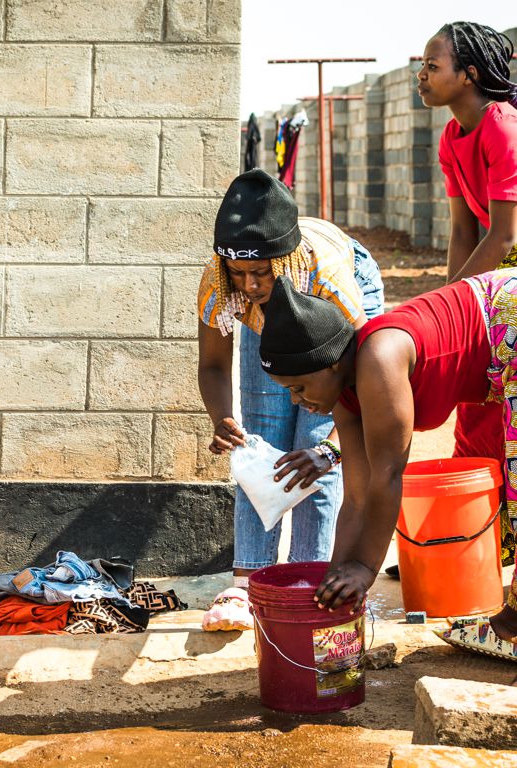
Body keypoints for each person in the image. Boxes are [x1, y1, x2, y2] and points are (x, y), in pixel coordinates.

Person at [257, 272, 517, 647]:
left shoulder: (379, 358)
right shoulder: (347, 396)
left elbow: (389, 474)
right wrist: (336, 580)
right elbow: (358, 496)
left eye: (299, 388)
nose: (298, 401)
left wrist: (364, 569)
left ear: (330, 363)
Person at [196, 168, 384, 630]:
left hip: (322, 298)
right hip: (277, 312)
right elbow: (214, 365)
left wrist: (329, 451)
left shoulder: (330, 280)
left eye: (259, 272)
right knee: (260, 440)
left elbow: (362, 390)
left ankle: (311, 576)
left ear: (281, 260)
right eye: (238, 273)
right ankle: (248, 582)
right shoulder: (223, 286)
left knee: (312, 449)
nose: (251, 285)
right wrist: (222, 418)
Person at [417, 22, 517, 561]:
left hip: (510, 282)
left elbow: (504, 235)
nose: (422, 76)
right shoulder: (452, 137)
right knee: (474, 406)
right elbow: (463, 232)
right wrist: (449, 306)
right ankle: (474, 546)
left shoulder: (503, 128)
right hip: (492, 279)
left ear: (469, 74)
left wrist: (460, 303)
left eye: (433, 67)